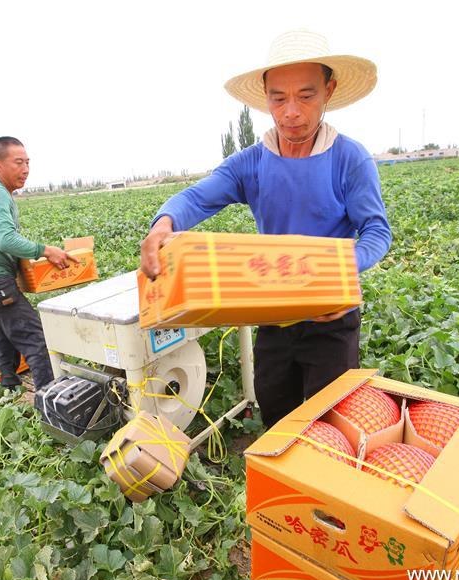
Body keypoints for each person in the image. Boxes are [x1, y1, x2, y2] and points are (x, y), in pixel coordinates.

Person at [140, 30, 392, 428]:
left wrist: (339, 273)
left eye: (306, 96)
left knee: (334, 421)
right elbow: (196, 198)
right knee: (277, 413)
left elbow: (376, 231)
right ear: (265, 96)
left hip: (331, 317)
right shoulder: (252, 163)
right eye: (279, 98)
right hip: (274, 314)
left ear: (329, 90)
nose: (291, 111)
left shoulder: (349, 159)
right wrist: (164, 224)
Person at [0, 136, 76, 392]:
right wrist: (45, 251)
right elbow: (5, 239)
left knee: (3, 337)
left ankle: (9, 388)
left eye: (27, 163)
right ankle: (51, 398)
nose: (25, 169)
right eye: (18, 163)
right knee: (35, 338)